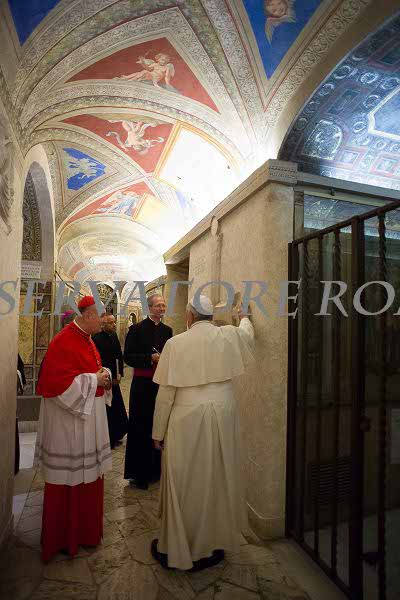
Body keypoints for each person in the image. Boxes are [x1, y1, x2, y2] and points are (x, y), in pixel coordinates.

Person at [150, 295, 255, 571]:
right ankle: (212, 542)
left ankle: (182, 545)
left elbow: (166, 395)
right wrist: (244, 316)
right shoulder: (229, 335)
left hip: (188, 419)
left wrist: (158, 432)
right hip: (224, 413)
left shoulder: (175, 344)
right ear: (210, 317)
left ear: (190, 316)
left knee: (185, 481)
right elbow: (247, 333)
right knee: (217, 476)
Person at [35, 296, 112, 562]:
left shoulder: (87, 338)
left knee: (87, 480)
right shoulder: (64, 340)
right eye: (101, 316)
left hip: (85, 423)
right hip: (68, 427)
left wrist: (102, 375)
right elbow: (57, 385)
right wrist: (94, 379)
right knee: (69, 482)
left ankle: (85, 534)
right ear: (89, 315)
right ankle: (63, 538)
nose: (105, 321)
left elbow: (89, 370)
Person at [123, 294, 172, 490]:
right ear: (149, 307)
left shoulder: (168, 331)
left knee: (158, 423)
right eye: (158, 305)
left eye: (163, 305)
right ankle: (139, 474)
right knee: (140, 426)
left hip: (161, 384)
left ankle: (156, 471)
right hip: (142, 385)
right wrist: (149, 358)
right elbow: (128, 357)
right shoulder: (136, 329)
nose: (162, 308)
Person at [92, 313, 128, 449]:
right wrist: (108, 377)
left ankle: (118, 434)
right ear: (103, 324)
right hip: (105, 380)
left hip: (115, 379)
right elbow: (99, 361)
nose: (114, 325)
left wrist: (120, 374)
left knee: (117, 408)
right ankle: (109, 438)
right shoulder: (96, 339)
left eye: (114, 322)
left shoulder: (114, 336)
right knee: (108, 410)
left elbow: (119, 356)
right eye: (111, 323)